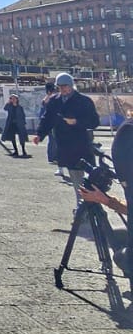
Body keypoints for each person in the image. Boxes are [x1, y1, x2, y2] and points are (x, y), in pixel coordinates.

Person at [34, 72, 99, 222]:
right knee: (75, 178)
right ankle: (82, 208)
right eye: (60, 87)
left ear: (71, 86)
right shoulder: (54, 101)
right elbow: (47, 119)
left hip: (81, 144)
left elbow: (94, 121)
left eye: (65, 86)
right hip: (65, 146)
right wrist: (40, 134)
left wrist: (76, 122)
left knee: (89, 178)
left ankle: (91, 207)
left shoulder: (83, 101)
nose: (63, 89)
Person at [2, 93, 30, 157]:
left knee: (22, 137)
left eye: (14, 98)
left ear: (17, 99)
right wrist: (8, 102)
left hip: (19, 124)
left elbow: (23, 115)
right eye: (11, 98)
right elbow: (5, 108)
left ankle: (23, 151)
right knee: (12, 138)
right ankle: (16, 151)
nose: (13, 100)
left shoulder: (20, 107)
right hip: (11, 124)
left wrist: (23, 123)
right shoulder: (9, 106)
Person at [38, 81, 58, 164]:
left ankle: (54, 157)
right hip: (51, 122)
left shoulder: (48, 98)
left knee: (54, 140)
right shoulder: (48, 98)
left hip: (51, 122)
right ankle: (52, 157)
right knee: (53, 140)